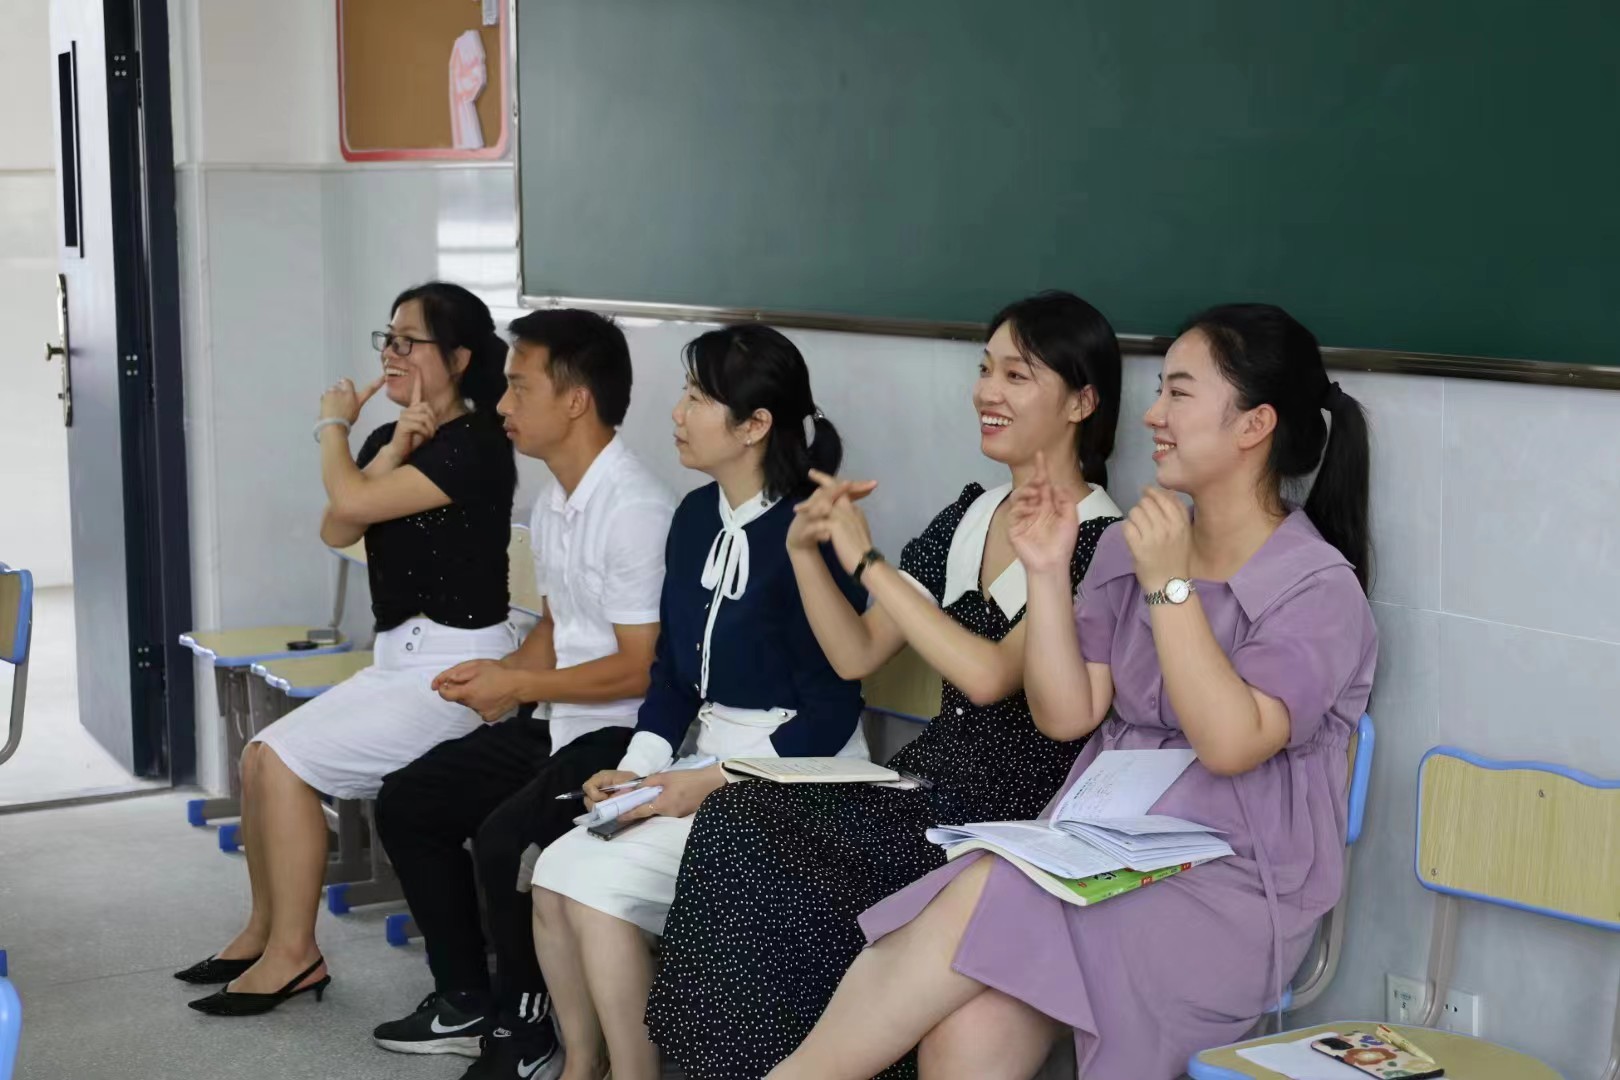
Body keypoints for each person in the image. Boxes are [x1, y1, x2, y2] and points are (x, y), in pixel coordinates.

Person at [770, 303, 1379, 1080]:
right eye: (1160, 392)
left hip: (1230, 892)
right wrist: (1049, 571)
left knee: (991, 887)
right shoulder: (1132, 546)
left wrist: (1170, 590)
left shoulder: (1317, 588)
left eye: (1179, 393)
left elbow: (1231, 743)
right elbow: (1066, 714)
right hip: (1103, 850)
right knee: (969, 1023)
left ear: (1254, 425)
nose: (1153, 415)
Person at [646, 290, 1124, 1079]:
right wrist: (807, 552)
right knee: (739, 823)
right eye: (985, 369)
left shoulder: (1102, 541)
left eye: (1016, 375)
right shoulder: (970, 514)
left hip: (1009, 820)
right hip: (925, 791)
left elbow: (987, 675)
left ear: (1081, 402)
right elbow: (858, 653)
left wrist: (868, 561)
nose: (987, 392)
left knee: (753, 837)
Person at [529, 325, 866, 1080]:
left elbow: (830, 716)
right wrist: (636, 770)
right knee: (554, 873)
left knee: (598, 890)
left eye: (697, 398)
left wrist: (705, 781)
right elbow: (674, 679)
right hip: (705, 762)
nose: (677, 414)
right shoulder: (692, 517)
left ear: (755, 425)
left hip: (798, 777)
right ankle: (582, 1066)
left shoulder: (809, 529)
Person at [177, 281, 519, 1016]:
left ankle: (295, 955)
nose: (391, 353)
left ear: (458, 358)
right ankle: (264, 932)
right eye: (387, 339)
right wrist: (388, 446)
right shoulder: (401, 440)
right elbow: (338, 528)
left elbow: (354, 502)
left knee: (287, 762)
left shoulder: (478, 445)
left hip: (456, 669)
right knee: (258, 756)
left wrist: (332, 425)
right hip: (397, 662)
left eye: (408, 341)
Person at [368, 309, 675, 1080]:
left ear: (575, 399)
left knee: (508, 841)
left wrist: (521, 683)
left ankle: (526, 1027)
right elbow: (557, 623)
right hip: (560, 719)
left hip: (622, 733)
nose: (501, 405)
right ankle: (466, 998)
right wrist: (503, 683)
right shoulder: (553, 500)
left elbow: (641, 669)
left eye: (518, 387)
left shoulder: (635, 510)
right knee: (408, 801)